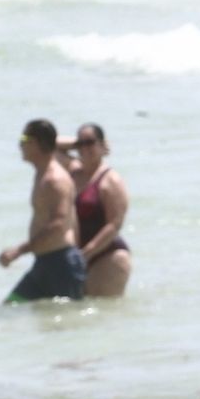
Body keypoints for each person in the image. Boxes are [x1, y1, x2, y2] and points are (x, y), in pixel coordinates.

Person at [0, 119, 86, 302]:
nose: (20, 145)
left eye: (23, 139)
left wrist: (19, 250)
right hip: (44, 263)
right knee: (11, 307)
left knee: (64, 318)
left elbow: (58, 223)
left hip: (61, 264)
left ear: (36, 143)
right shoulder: (42, 173)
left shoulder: (55, 180)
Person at [68, 122, 133, 297]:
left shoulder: (110, 180)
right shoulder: (73, 172)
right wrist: (74, 144)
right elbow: (50, 145)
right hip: (79, 256)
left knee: (100, 310)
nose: (84, 148)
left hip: (108, 256)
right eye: (80, 144)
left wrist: (87, 253)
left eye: (89, 142)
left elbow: (115, 224)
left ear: (103, 145)